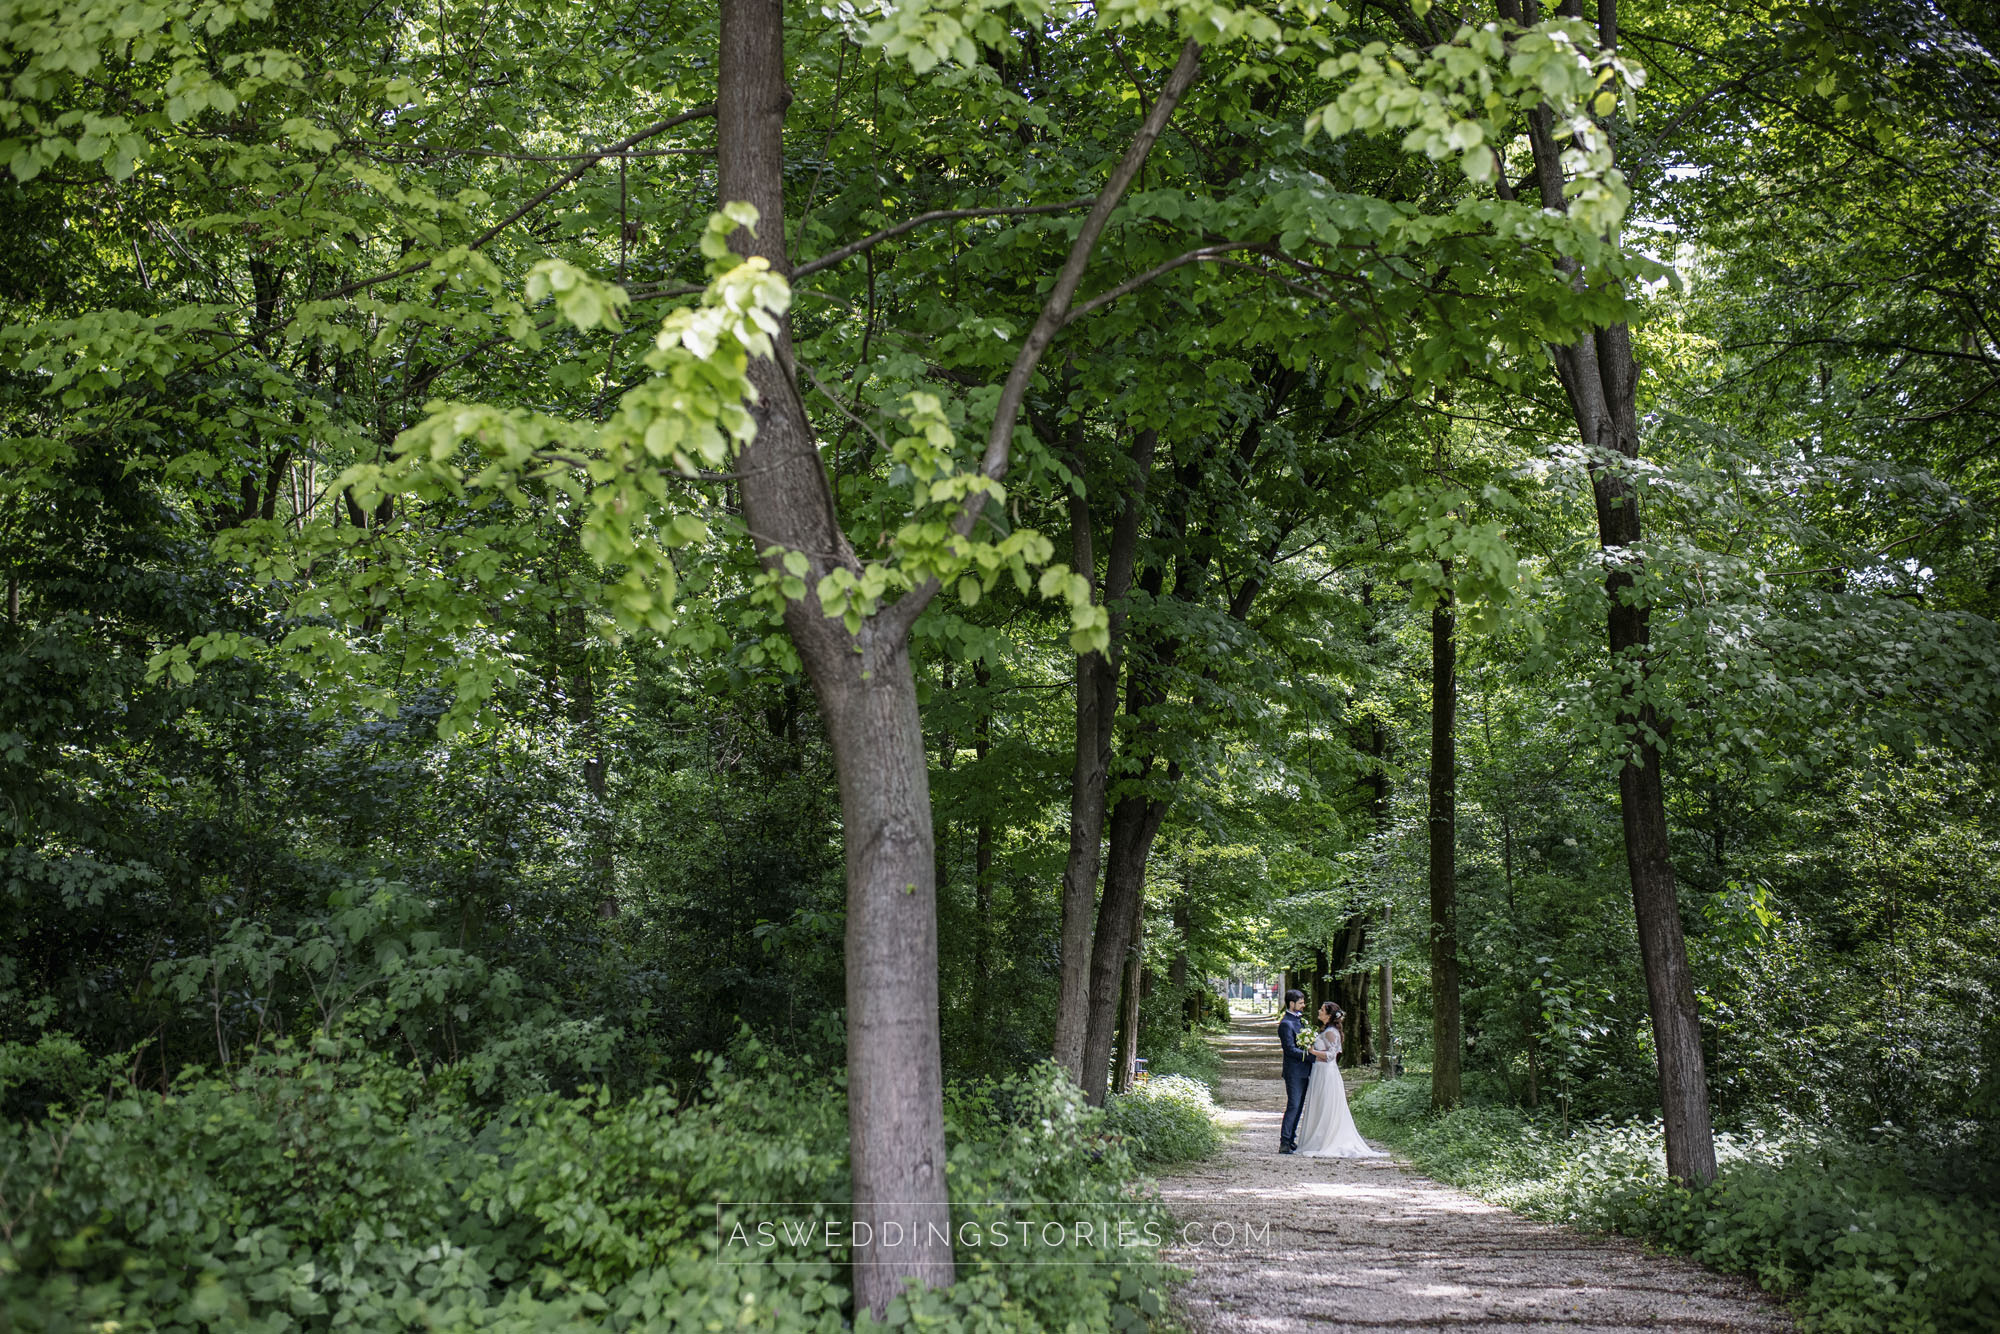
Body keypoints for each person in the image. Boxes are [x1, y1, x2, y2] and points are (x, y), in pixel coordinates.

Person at [1295, 1002, 1390, 1158]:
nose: (1319, 1011)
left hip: (1326, 1072)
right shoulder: (1325, 1030)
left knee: (1327, 1104)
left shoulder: (1331, 1032)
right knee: (1320, 1104)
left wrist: (1312, 1051)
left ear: (1329, 1015)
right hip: (1319, 1070)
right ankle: (1317, 1138)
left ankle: (1325, 1139)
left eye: (1322, 1009)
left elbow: (1332, 1056)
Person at [1277, 990, 1313, 1153]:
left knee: (1299, 1106)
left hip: (1305, 1070)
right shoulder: (1286, 1024)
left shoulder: (1301, 1021)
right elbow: (1290, 1049)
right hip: (1294, 1071)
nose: (1303, 1005)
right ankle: (1284, 1141)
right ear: (1291, 1004)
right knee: (1293, 1104)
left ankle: (1291, 1138)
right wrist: (1310, 1056)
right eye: (1300, 1003)